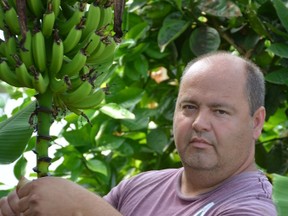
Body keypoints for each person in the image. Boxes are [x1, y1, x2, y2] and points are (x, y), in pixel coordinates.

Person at [0, 51, 277, 216]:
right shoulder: (140, 186)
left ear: (256, 122)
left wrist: (80, 208)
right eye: (189, 107)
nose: (199, 123)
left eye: (220, 111)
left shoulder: (250, 207)